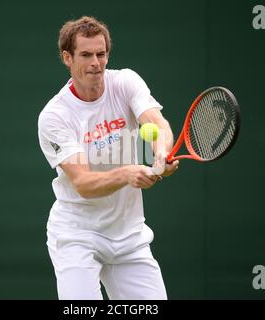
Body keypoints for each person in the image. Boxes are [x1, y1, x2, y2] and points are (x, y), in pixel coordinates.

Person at [38, 16, 179, 300]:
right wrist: (128, 173)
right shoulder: (54, 116)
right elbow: (84, 183)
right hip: (77, 235)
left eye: (101, 54)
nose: (96, 63)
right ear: (67, 58)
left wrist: (162, 152)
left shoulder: (125, 82)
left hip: (129, 236)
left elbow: (158, 124)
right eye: (86, 55)